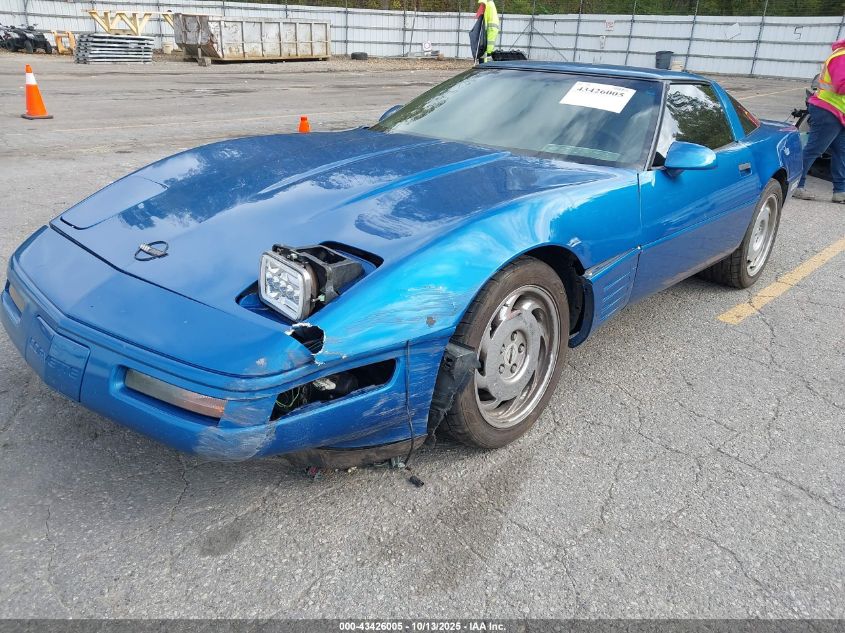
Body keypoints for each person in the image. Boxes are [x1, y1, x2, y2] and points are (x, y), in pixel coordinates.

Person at [794, 39, 845, 203]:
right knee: (814, 149)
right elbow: (840, 86)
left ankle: (840, 191)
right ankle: (796, 185)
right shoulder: (842, 56)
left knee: (840, 152)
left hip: (837, 112)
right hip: (828, 110)